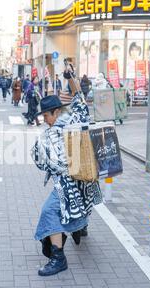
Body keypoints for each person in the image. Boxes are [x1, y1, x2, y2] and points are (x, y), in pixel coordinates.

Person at [31, 95, 102, 276]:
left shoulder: (53, 133)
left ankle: (58, 258)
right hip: (87, 180)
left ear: (56, 112)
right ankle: (80, 227)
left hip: (68, 184)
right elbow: (81, 103)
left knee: (49, 211)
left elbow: (49, 163)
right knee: (80, 206)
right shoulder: (75, 119)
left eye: (46, 116)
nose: (44, 120)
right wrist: (71, 78)